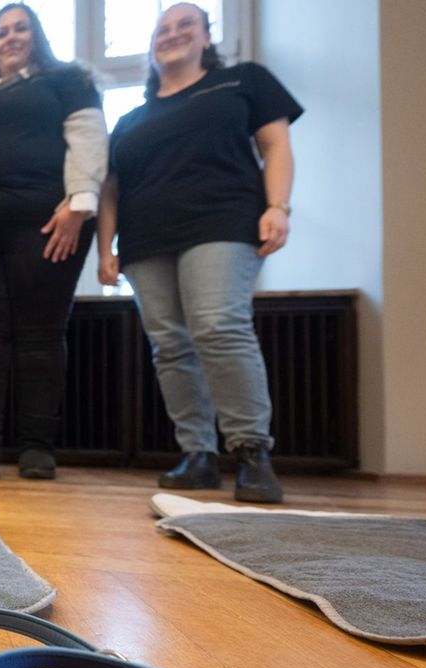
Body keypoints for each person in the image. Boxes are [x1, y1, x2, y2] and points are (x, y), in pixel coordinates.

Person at [97, 2, 302, 503]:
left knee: (218, 327)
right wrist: (106, 248)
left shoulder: (242, 82)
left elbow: (276, 145)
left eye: (185, 24)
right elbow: (111, 189)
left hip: (223, 222)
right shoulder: (130, 118)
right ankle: (199, 455)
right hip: (145, 239)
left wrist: (278, 206)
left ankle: (251, 450)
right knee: (170, 346)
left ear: (207, 37)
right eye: (162, 29)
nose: (172, 33)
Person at [0, 3, 107, 480]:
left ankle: (36, 446)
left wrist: (79, 202)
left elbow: (89, 139)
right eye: (1, 31)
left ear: (37, 35)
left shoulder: (69, 80)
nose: (9, 37)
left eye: (19, 28)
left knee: (40, 333)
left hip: (47, 223)